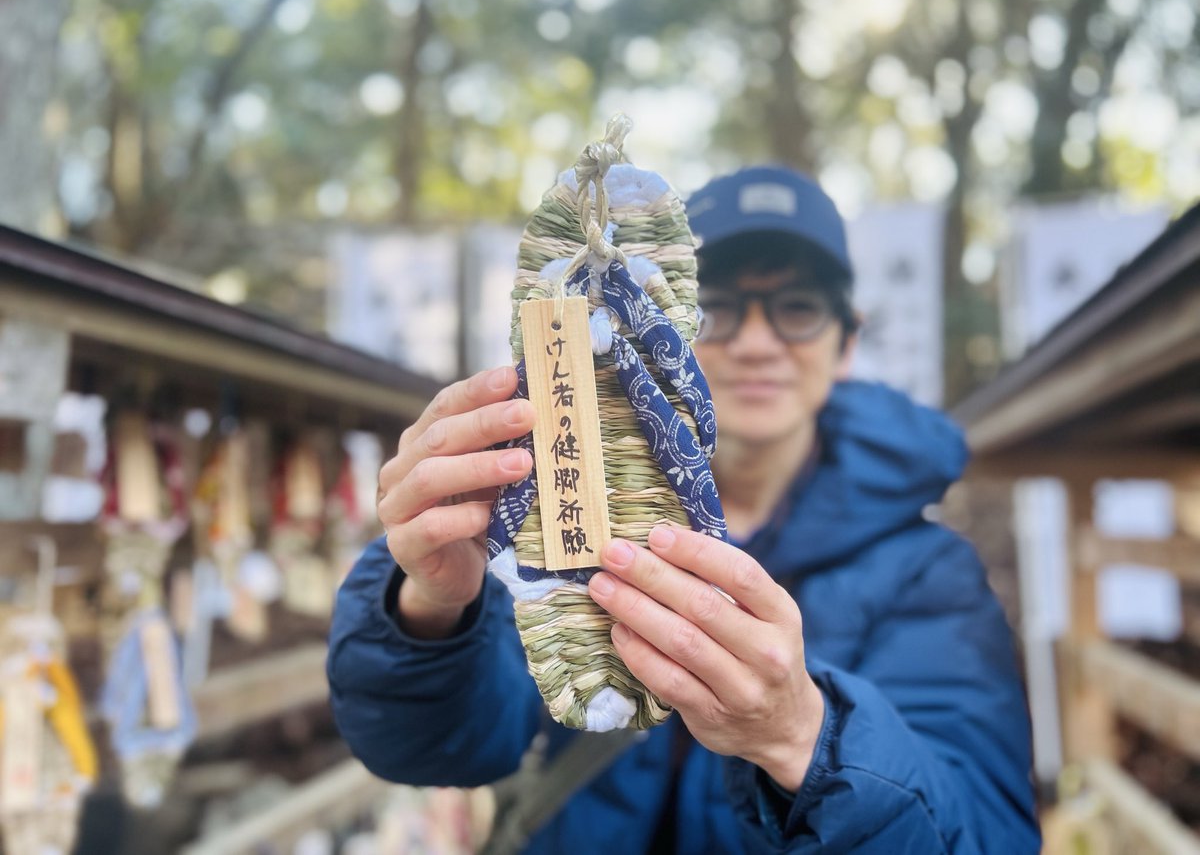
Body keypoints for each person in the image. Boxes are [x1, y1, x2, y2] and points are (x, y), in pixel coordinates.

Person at [327, 166, 1041, 853]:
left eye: (798, 309)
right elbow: (431, 747)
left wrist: (805, 738)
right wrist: (430, 609)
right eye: (719, 308)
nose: (757, 344)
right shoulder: (562, 501)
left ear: (846, 341)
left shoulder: (928, 575)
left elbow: (986, 833)